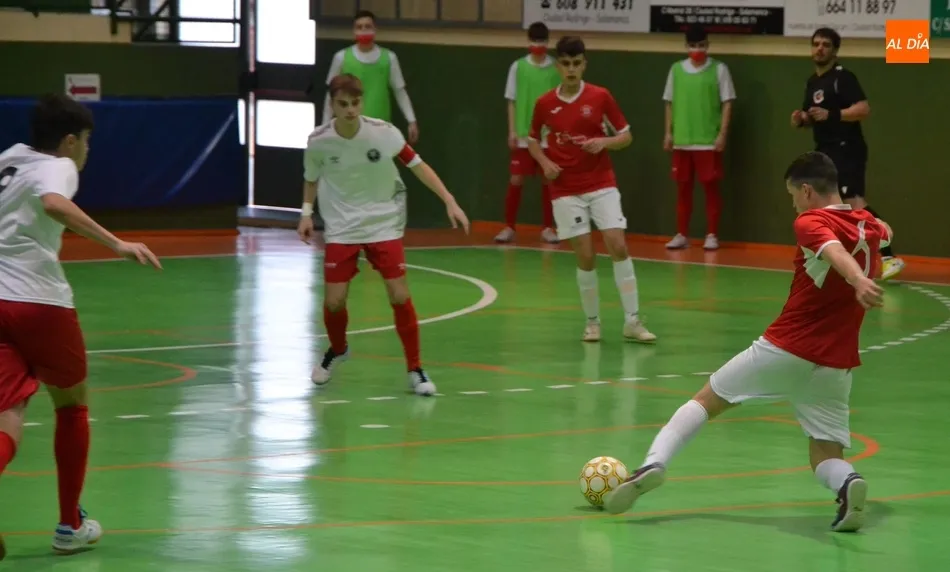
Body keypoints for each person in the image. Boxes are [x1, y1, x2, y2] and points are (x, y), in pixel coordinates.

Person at [603, 151, 890, 534]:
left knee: (704, 402)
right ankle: (848, 482)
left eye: (793, 195)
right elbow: (884, 230)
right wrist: (873, 245)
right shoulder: (870, 225)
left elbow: (834, 252)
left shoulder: (811, 221)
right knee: (825, 451)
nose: (794, 204)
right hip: (835, 364)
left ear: (807, 191)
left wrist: (857, 279)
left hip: (787, 347)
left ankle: (653, 464)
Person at [0, 94, 162, 559]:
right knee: (71, 405)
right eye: (87, 141)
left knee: (9, 412)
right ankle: (70, 526)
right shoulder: (60, 167)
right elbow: (53, 204)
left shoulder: (10, 157)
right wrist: (116, 243)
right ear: (71, 141)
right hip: (38, 301)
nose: (87, 150)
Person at [298, 74, 469, 396]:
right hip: (342, 227)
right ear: (332, 105)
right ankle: (338, 349)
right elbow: (311, 177)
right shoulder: (319, 141)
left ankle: (415, 369)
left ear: (362, 102)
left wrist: (449, 200)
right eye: (343, 104)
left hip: (383, 222)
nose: (350, 110)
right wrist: (306, 213)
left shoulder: (384, 133)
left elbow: (418, 165)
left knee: (399, 295)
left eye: (355, 103)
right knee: (334, 302)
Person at [527, 36, 656, 344]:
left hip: (601, 183)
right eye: (566, 64)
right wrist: (544, 162)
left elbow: (625, 135)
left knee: (617, 245)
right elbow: (532, 139)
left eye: (576, 63)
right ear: (558, 67)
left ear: (584, 64)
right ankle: (592, 322)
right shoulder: (544, 104)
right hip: (565, 189)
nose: (571, 69)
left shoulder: (600, 96)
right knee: (585, 255)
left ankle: (633, 320)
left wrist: (604, 142)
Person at [791, 27, 905, 280]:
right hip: (825, 150)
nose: (820, 49)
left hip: (846, 148)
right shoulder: (813, 82)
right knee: (829, 204)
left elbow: (863, 109)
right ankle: (838, 258)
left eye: (826, 45)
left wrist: (833, 114)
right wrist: (802, 119)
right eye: (816, 44)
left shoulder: (842, 78)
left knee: (853, 203)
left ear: (835, 51)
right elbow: (814, 115)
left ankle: (888, 257)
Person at [662, 25, 736, 251]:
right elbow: (669, 103)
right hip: (682, 140)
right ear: (686, 46)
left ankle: (711, 234)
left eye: (701, 45)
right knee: (683, 191)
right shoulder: (676, 69)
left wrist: (722, 134)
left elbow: (727, 103)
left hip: (708, 142)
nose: (697, 50)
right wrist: (668, 133)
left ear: (708, 45)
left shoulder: (719, 69)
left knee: (711, 190)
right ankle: (682, 234)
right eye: (693, 46)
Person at [494, 21, 561, 245]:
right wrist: (512, 130)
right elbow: (511, 101)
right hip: (524, 135)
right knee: (516, 178)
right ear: (528, 41)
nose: (537, 45)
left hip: (548, 136)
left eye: (541, 41)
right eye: (534, 41)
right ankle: (509, 227)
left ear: (547, 42)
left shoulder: (556, 68)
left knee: (548, 179)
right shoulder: (518, 67)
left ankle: (548, 228)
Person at [321, 10, 418, 144]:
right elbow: (330, 95)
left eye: (367, 26)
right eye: (359, 27)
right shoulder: (341, 57)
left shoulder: (389, 58)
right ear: (354, 31)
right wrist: (325, 127)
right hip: (349, 128)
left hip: (381, 128)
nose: (363, 30)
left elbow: (399, 91)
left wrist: (411, 120)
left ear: (375, 29)